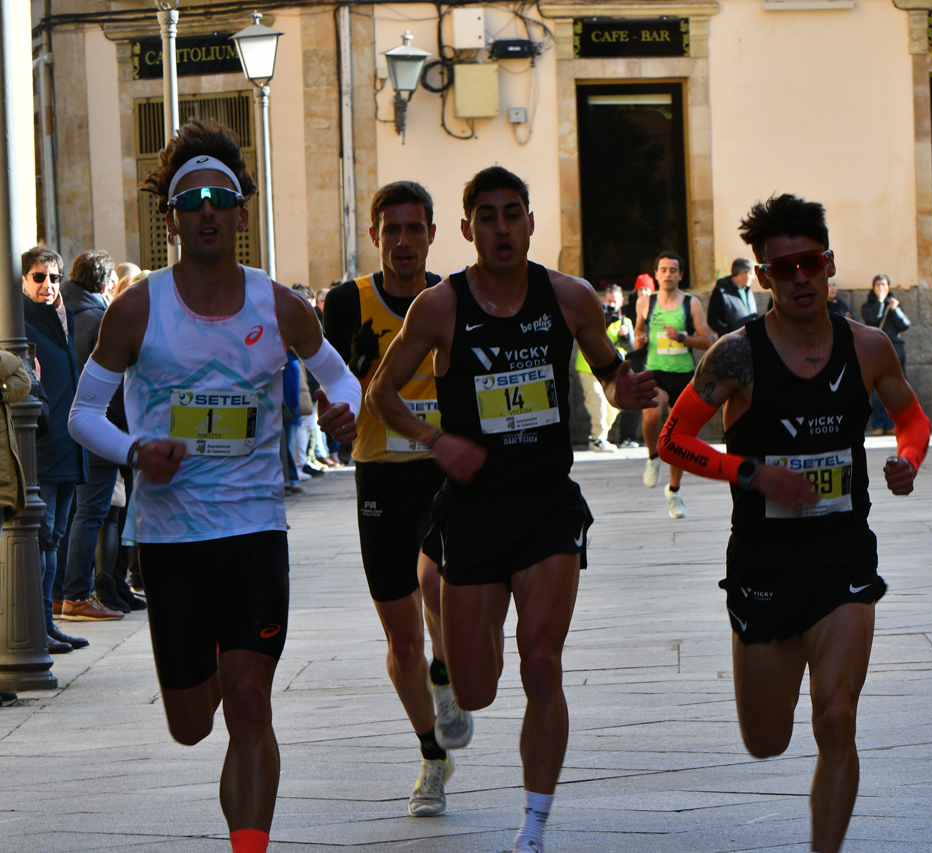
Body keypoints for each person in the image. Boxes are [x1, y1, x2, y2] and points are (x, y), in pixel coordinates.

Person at [67, 118, 360, 853]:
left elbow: (342, 380)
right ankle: (209, 675)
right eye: (190, 200)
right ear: (169, 219)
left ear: (241, 215)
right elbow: (80, 414)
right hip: (170, 539)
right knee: (192, 724)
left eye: (220, 199)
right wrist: (136, 450)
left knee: (251, 701)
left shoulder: (279, 305)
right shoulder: (137, 309)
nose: (206, 211)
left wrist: (343, 410)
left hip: (254, 530)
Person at [366, 166, 656, 853]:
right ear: (469, 230)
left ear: (530, 222)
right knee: (479, 688)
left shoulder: (569, 296)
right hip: (472, 512)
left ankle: (534, 824)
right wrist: (438, 441)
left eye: (513, 214)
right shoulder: (440, 306)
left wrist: (623, 389)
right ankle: (454, 646)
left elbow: (608, 371)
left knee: (543, 662)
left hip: (547, 504)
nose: (502, 228)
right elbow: (381, 393)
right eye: (488, 217)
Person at [658, 193, 929, 853]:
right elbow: (673, 439)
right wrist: (750, 472)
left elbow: (912, 418)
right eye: (784, 269)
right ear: (764, 276)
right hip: (764, 563)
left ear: (829, 263)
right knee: (766, 739)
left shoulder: (868, 347)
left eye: (810, 263)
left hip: (842, 556)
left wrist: (908, 459)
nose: (800, 278)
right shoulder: (736, 356)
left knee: (836, 720)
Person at [322, 179, 473, 819]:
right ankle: (432, 757)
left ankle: (448, 673)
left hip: (441, 474)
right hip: (380, 476)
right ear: (375, 235)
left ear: (433, 234)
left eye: (415, 229)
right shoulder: (346, 302)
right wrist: (333, 414)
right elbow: (332, 382)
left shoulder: (452, 299)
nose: (404, 241)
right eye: (393, 230)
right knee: (401, 640)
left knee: (438, 588)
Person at [22, 245, 98, 651]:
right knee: (42, 538)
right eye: (39, 277)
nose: (48, 285)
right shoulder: (20, 323)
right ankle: (37, 627)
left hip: (69, 445)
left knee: (54, 539)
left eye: (54, 277)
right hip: (44, 446)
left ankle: (48, 623)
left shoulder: (60, 318)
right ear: (23, 280)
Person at [61, 250, 139, 616]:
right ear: (108, 282)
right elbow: (115, 386)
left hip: (70, 427)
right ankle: (78, 593)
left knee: (77, 513)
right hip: (100, 427)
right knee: (94, 513)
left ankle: (68, 591)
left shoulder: (64, 313)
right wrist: (123, 432)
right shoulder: (98, 319)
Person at [635, 251, 713, 518]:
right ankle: (652, 456)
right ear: (656, 274)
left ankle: (674, 491)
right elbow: (638, 332)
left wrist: (682, 337)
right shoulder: (646, 302)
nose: (668, 274)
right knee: (652, 414)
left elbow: (707, 340)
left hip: (683, 375)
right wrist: (639, 339)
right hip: (655, 371)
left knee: (679, 436)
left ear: (681, 275)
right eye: (663, 270)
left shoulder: (691, 303)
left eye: (673, 270)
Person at [575, 284, 634, 452]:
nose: (612, 305)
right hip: (588, 367)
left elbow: (631, 347)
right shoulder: (594, 316)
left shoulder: (625, 322)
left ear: (621, 302)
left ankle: (599, 438)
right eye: (609, 301)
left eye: (615, 301)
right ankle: (598, 437)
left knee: (614, 407)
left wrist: (625, 336)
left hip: (614, 371)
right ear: (603, 300)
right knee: (598, 401)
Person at [860, 274, 910, 435]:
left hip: (895, 349)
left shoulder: (895, 304)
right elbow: (873, 319)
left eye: (884, 284)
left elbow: (904, 325)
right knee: (877, 388)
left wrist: (895, 310)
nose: (881, 288)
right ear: (873, 288)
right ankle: (879, 424)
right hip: (876, 351)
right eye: (878, 285)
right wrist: (880, 302)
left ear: (888, 287)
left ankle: (893, 424)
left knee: (896, 388)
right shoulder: (867, 306)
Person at [707, 257, 759, 335]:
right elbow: (713, 321)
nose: (753, 278)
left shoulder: (747, 290)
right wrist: (732, 333)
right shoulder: (721, 292)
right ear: (741, 273)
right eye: (751, 274)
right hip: (733, 340)